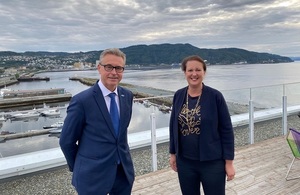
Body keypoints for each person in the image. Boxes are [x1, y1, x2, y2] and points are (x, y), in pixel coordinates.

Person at [59, 48, 135, 195]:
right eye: (109, 67)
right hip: (91, 176)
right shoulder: (82, 101)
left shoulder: (127, 96)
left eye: (118, 68)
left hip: (122, 173)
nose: (114, 72)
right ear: (99, 68)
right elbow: (66, 142)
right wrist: (81, 167)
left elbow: (120, 135)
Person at [169, 55, 235, 195]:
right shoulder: (178, 95)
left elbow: (227, 130)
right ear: (185, 73)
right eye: (190, 70)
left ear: (204, 72)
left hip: (212, 162)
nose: (194, 74)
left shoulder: (215, 96)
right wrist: (173, 154)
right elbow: (173, 126)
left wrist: (229, 163)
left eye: (198, 70)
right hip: (185, 162)